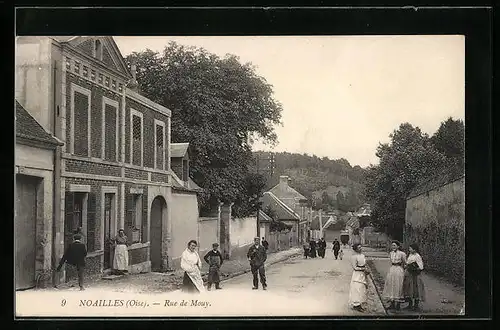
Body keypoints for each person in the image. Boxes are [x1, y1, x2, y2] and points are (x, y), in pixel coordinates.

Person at [382, 240, 407, 310]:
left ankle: (398, 304)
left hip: (399, 270)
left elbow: (405, 263)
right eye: (392, 245)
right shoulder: (390, 253)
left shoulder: (402, 254)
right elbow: (391, 262)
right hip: (392, 269)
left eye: (394, 245)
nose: (393, 247)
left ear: (398, 246)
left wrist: (403, 269)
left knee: (398, 285)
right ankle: (392, 303)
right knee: (391, 285)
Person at [402, 243, 426, 311]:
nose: (409, 250)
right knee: (409, 288)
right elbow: (407, 263)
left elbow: (421, 267)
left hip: (414, 275)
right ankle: (409, 304)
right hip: (409, 274)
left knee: (416, 289)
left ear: (414, 249)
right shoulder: (410, 255)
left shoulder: (417, 256)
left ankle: (416, 305)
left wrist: (414, 268)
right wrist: (407, 266)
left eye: (410, 248)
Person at [349, 243, 370, 312]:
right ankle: (356, 304)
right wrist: (362, 269)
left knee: (362, 289)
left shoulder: (363, 255)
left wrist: (366, 270)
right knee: (357, 288)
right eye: (359, 248)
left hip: (363, 274)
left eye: (361, 247)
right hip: (357, 274)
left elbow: (364, 264)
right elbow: (355, 267)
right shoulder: (354, 257)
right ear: (356, 249)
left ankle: (360, 304)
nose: (360, 249)